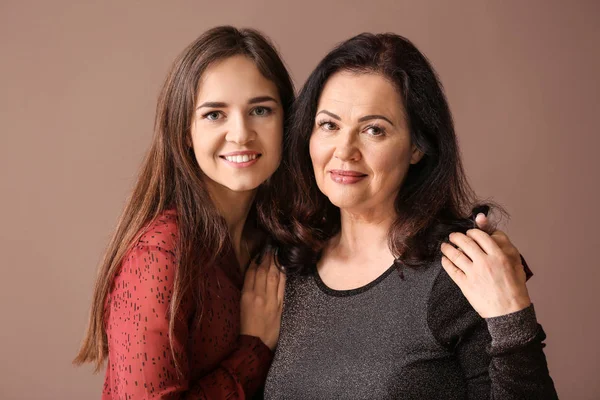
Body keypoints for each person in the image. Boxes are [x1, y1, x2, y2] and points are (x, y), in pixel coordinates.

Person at [261, 33, 558, 399]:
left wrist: (512, 319)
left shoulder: (459, 270)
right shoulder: (286, 266)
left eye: (374, 130)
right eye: (329, 125)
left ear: (417, 146)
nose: (345, 150)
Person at [74, 26, 294, 399]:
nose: (241, 133)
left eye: (260, 110)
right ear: (185, 132)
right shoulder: (161, 255)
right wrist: (252, 350)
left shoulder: (277, 239)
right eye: (214, 115)